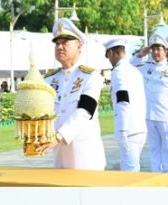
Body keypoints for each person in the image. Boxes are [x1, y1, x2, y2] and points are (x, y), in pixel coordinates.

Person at [37, 18, 105, 169]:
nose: (60, 46)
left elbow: (85, 111)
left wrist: (59, 136)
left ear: (79, 45)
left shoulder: (91, 77)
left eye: (65, 42)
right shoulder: (48, 80)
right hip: (60, 158)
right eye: (57, 43)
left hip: (86, 159)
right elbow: (42, 112)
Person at [104, 38, 148, 172]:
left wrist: (122, 131)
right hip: (139, 128)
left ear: (111, 52)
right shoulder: (134, 70)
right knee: (132, 168)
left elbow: (123, 101)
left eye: (107, 56)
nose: (108, 60)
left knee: (130, 173)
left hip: (129, 131)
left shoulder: (118, 72)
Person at [135, 33, 168, 172]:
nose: (155, 52)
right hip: (150, 116)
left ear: (166, 50)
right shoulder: (145, 67)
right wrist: (139, 55)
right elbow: (128, 68)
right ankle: (155, 178)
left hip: (165, 117)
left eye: (158, 49)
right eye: (153, 49)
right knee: (154, 150)